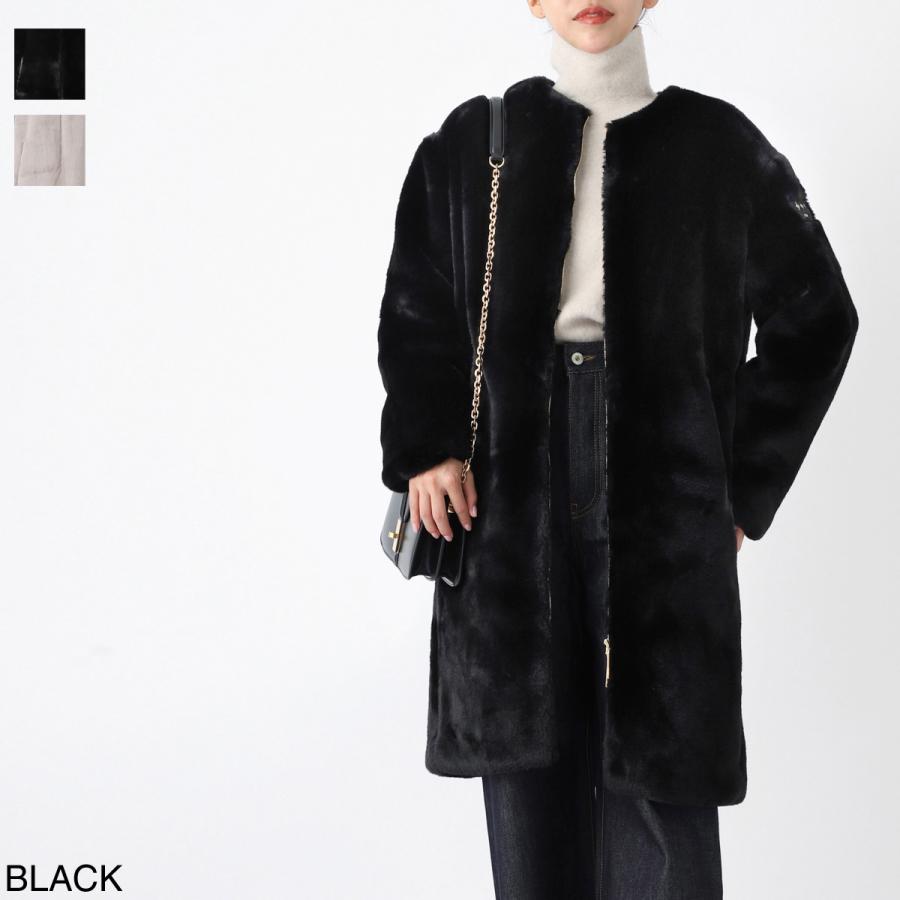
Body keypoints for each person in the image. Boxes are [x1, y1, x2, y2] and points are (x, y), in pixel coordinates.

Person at [376, 2, 859, 897]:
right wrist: (426, 445)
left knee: (662, 792)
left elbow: (818, 318)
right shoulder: (472, 142)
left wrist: (739, 485)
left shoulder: (719, 146)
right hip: (507, 489)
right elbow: (418, 307)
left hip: (664, 476)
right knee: (529, 798)